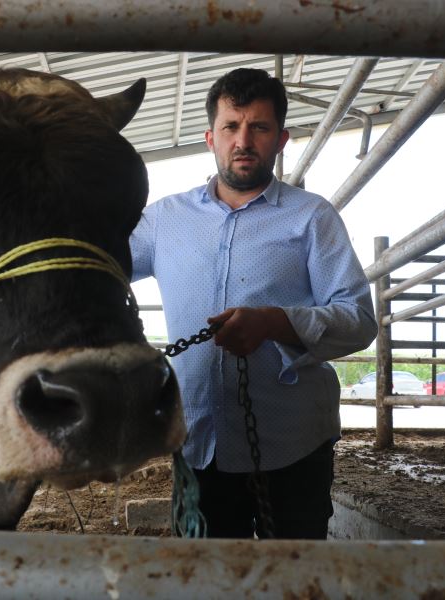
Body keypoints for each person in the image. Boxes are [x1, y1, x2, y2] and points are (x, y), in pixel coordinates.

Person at [130, 68, 377, 539]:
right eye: (231, 127)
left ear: (280, 139)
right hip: (198, 442)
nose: (243, 140)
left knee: (293, 575)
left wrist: (275, 323)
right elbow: (101, 263)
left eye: (259, 127)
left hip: (293, 443)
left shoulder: (312, 218)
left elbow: (359, 320)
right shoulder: (164, 220)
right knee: (206, 579)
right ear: (210, 137)